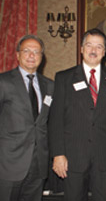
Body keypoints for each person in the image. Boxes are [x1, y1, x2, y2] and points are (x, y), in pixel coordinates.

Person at [48, 28, 106, 201]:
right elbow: (55, 120)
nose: (93, 50)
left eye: (99, 47)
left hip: (105, 154)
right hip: (73, 155)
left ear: (105, 52)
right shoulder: (64, 78)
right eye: (89, 46)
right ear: (82, 49)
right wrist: (58, 154)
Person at [0, 35, 54, 201]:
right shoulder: (3, 82)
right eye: (27, 51)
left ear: (42, 57)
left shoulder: (50, 85)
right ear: (17, 55)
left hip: (38, 165)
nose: (32, 55)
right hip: (8, 164)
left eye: (36, 52)